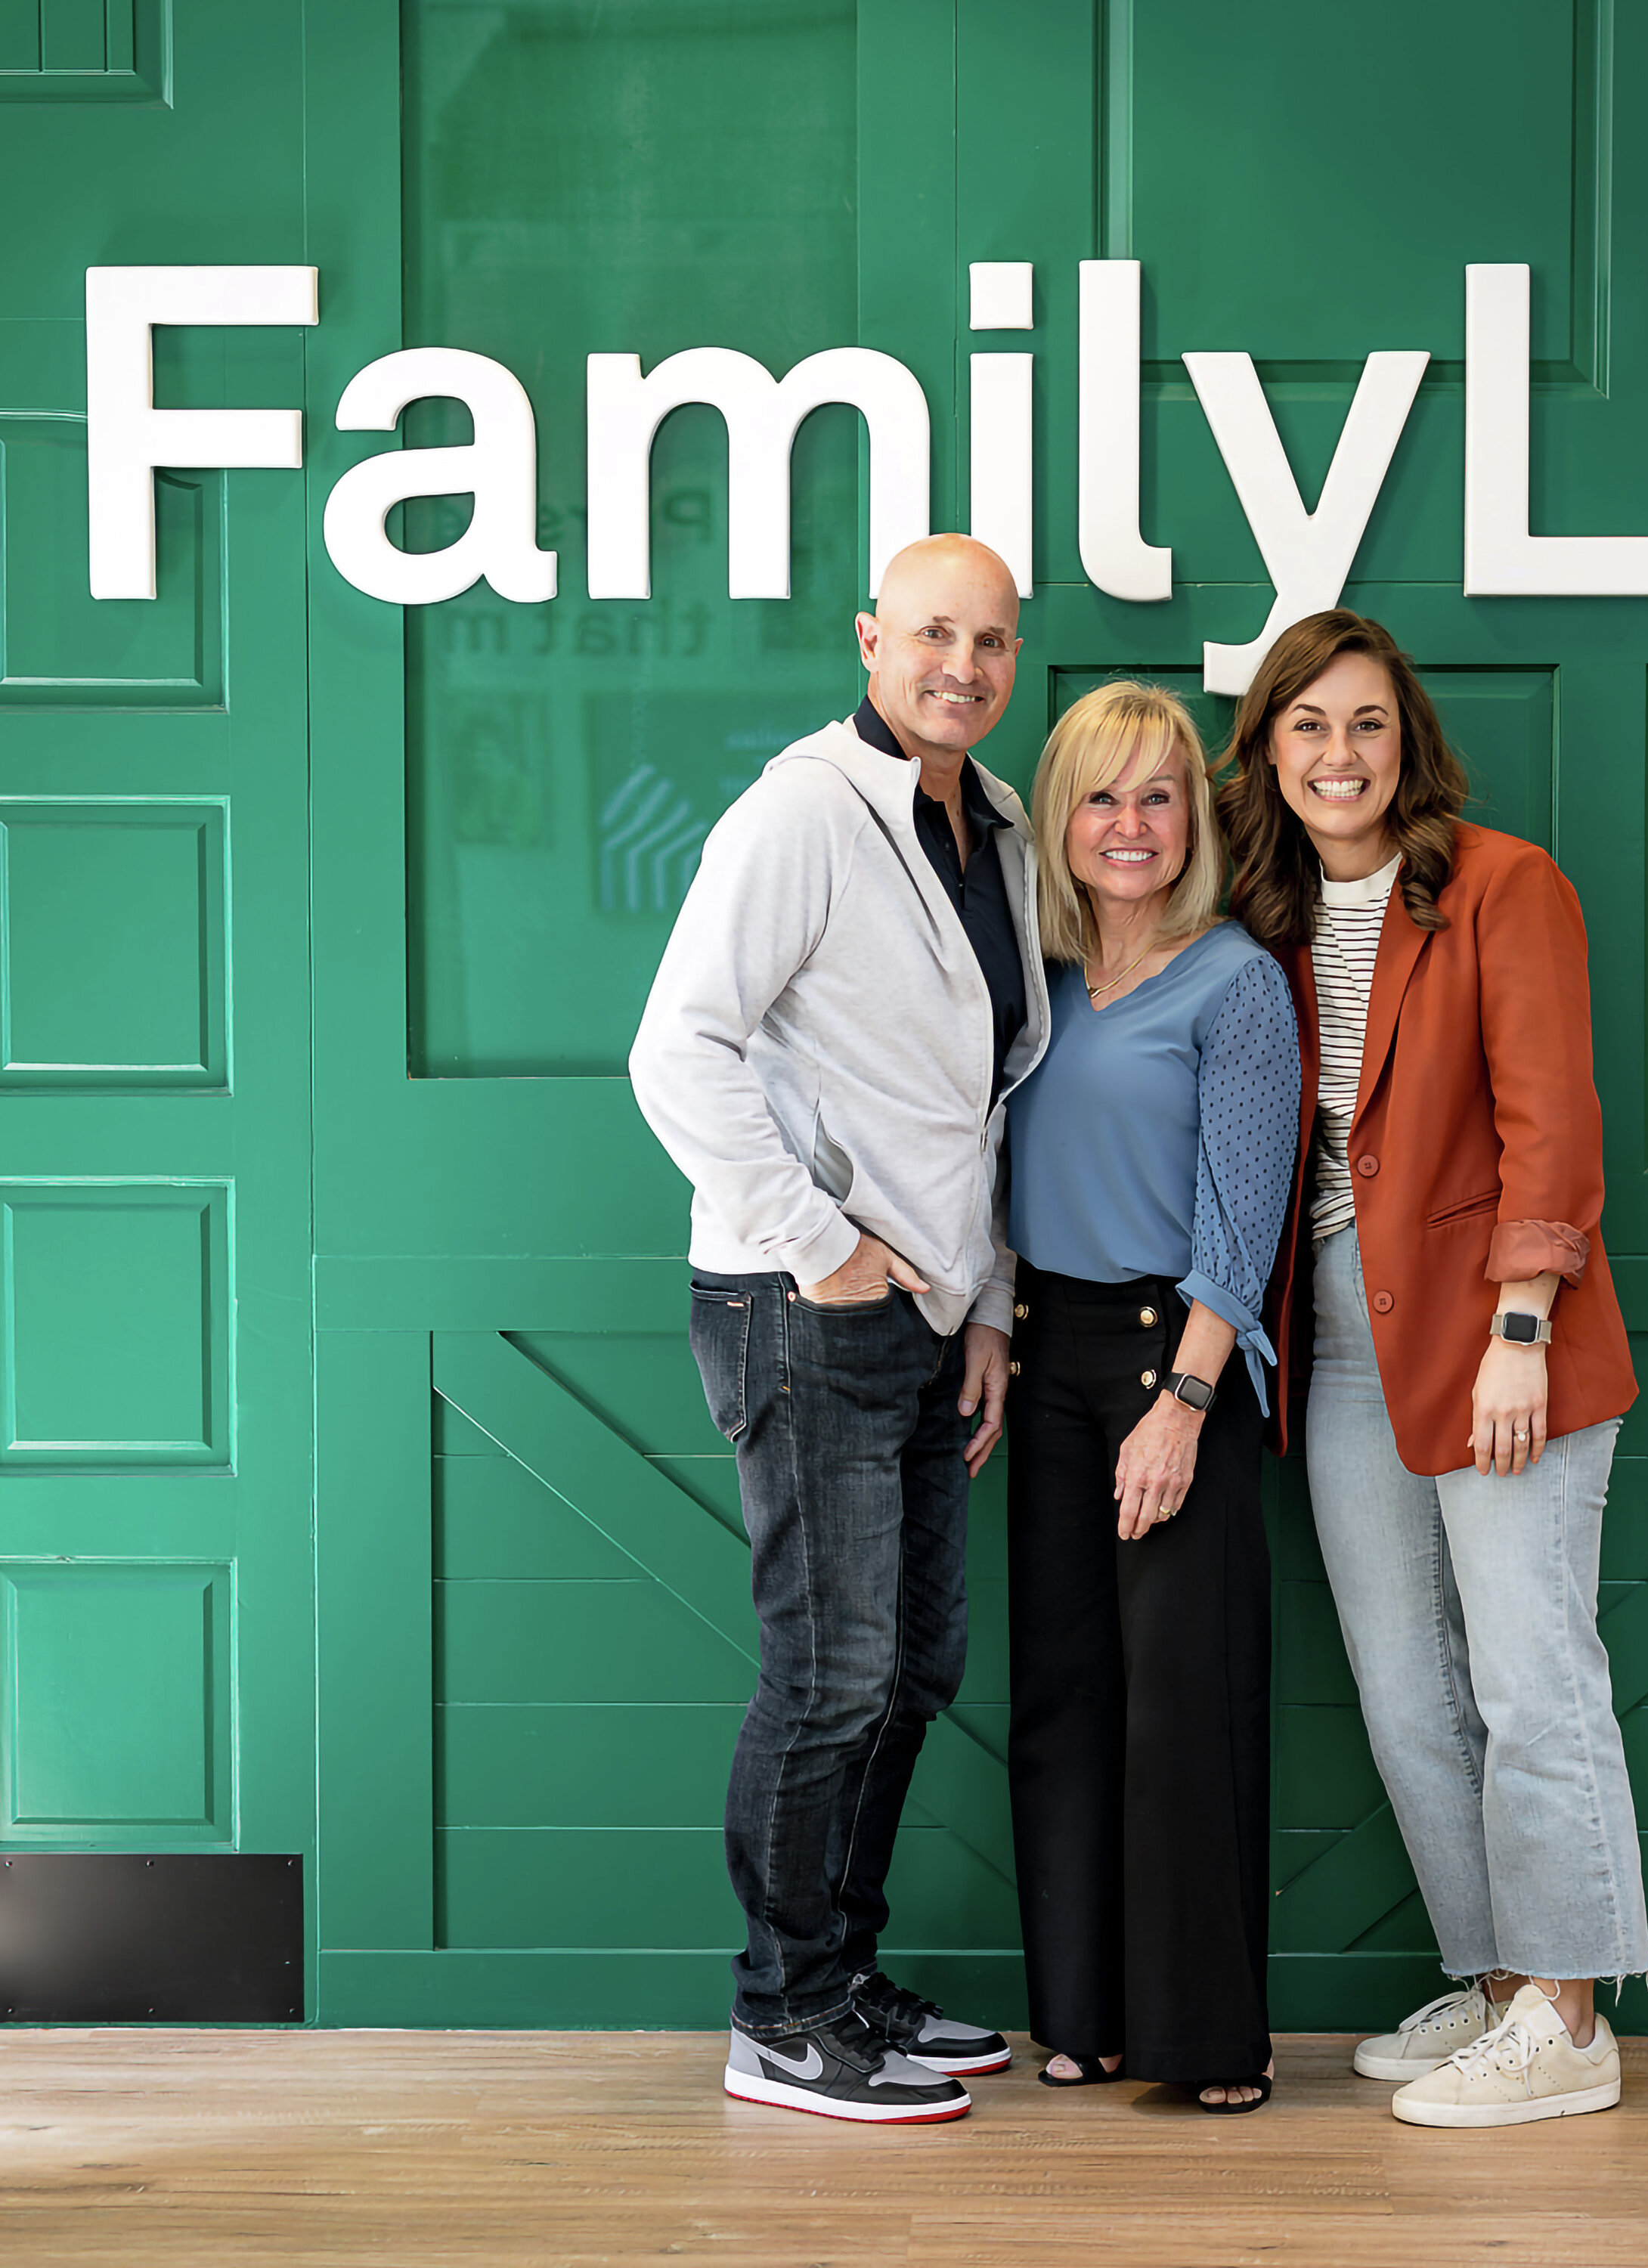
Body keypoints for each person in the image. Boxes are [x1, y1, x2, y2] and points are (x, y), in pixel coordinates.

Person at [628, 534, 1048, 2124]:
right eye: (932, 633)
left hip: (930, 1313)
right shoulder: (803, 811)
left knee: (912, 1669)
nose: (961, 665)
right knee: (830, 1674)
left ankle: (845, 1979)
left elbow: (978, 1102)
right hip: (799, 1305)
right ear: (870, 639)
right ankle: (782, 2016)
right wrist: (820, 1248)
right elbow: (678, 1050)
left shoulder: (997, 825)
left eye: (989, 641)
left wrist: (986, 1301)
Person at [1219, 610, 1648, 2132]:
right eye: (1309, 725)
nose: (1339, 754)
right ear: (1269, 750)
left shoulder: (1499, 885)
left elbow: (1553, 1119)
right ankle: (1499, 1983)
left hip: (1493, 1319)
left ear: (1408, 745)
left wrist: (1522, 1329)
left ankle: (1570, 2016)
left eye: (1367, 723)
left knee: (1534, 1674)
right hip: (1338, 1333)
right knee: (1407, 1689)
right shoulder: (1263, 914)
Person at [1002, 683, 1300, 2114]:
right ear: (1061, 820)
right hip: (1046, 1355)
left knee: (1187, 1708)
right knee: (1063, 1703)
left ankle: (1209, 2040)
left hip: (1174, 1357)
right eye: (1102, 797)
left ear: (1195, 819)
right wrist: (995, 1326)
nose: (1131, 825)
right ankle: (1085, 2017)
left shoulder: (1236, 982)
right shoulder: (1036, 983)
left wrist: (1180, 1403)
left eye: (1159, 796)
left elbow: (1247, 1218)